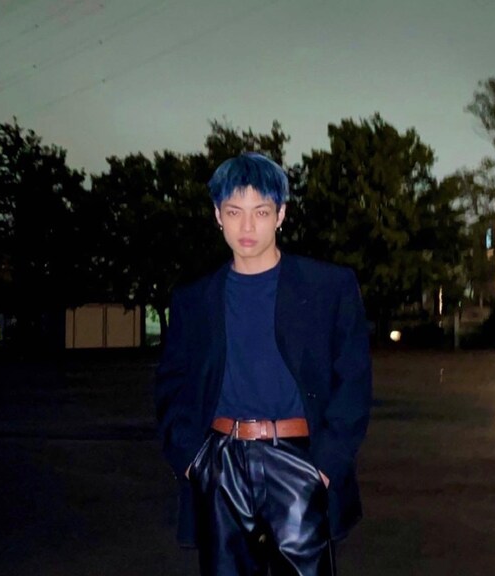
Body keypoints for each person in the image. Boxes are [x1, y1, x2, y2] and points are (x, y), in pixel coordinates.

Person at [155, 152, 371, 576]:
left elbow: (354, 382)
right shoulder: (193, 299)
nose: (247, 227)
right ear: (218, 215)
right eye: (234, 211)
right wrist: (192, 460)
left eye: (261, 211)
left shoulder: (329, 287)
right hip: (220, 463)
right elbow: (171, 384)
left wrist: (325, 466)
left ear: (281, 214)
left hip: (299, 460)